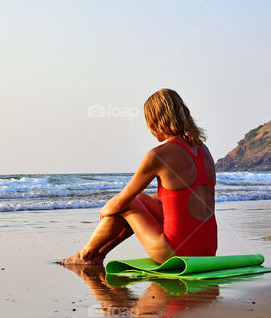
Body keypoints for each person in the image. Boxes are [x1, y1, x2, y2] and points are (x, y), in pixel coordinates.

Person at [62, 88, 217, 266]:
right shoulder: (204, 150)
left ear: (157, 119)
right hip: (208, 251)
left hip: (175, 253)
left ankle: (84, 255)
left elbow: (123, 200)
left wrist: (104, 211)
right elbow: (182, 197)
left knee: (129, 203)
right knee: (143, 199)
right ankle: (98, 255)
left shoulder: (159, 155)